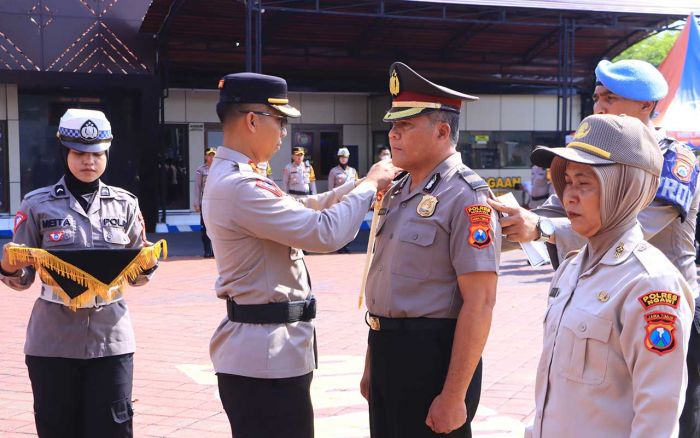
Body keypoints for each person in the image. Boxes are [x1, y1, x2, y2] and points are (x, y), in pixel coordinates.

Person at [489, 59, 700, 438]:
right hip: (598, 284)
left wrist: (540, 228)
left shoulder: (670, 162)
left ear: (646, 108)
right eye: (597, 96)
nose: (599, 106)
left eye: (611, 98)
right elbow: (548, 215)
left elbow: (634, 222)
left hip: (660, 306)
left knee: (671, 417)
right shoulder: (574, 264)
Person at [202, 72, 395, 438]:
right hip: (265, 359)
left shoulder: (237, 176)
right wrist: (368, 186)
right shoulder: (240, 185)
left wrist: (357, 187)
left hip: (267, 353)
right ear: (253, 120)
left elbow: (301, 207)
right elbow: (324, 232)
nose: (284, 133)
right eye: (281, 121)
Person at [525, 114, 694, 437]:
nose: (569, 196)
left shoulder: (650, 283)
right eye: (568, 181)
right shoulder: (571, 268)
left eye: (585, 183)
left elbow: (658, 417)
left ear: (625, 187)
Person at [361, 62, 500, 437]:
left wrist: (454, 395)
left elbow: (481, 302)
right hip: (387, 348)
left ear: (442, 131)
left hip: (432, 359)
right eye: (393, 125)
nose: (393, 135)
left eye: (404, 126)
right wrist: (372, 362)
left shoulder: (466, 196)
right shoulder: (397, 191)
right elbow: (386, 284)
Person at [0, 109, 158, 437]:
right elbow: (23, 278)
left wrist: (148, 264)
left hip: (111, 338)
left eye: (98, 153)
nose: (89, 161)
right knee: (58, 429)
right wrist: (7, 266)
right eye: (80, 153)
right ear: (64, 152)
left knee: (113, 429)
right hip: (52, 340)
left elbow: (136, 275)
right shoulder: (36, 205)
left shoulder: (125, 204)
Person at [194, 147, 216, 258]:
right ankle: (207, 250)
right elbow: (197, 187)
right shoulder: (201, 170)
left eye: (213, 155)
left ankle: (216, 251)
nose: (211, 157)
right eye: (209, 155)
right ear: (205, 156)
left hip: (218, 203)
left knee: (218, 227)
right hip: (206, 202)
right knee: (205, 227)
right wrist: (196, 203)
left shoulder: (220, 168)